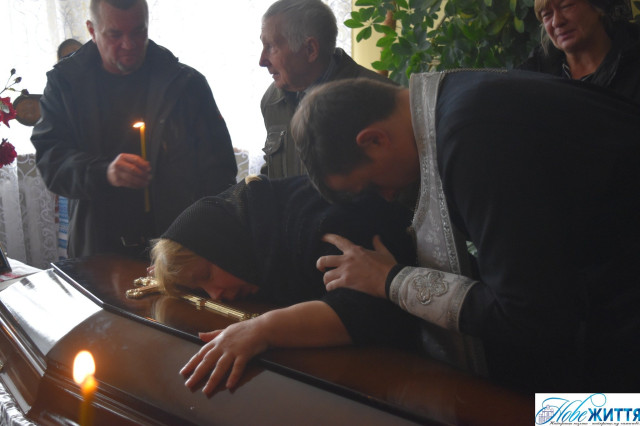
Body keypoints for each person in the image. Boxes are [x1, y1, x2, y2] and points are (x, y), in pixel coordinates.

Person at [290, 72, 640, 391]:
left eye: (370, 186)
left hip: (623, 311)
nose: (387, 196)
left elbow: (529, 315)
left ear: (374, 140)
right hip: (611, 290)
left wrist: (392, 281)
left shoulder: (471, 137)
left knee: (568, 417)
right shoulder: (457, 100)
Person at [149, 175, 420, 393]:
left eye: (206, 275)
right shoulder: (254, 228)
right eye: (201, 289)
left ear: (223, 243)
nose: (215, 295)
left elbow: (364, 308)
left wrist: (261, 330)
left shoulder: (316, 220)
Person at [32, 0, 237, 258]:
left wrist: (210, 242)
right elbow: (51, 162)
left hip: (178, 244)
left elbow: (219, 172)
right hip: (99, 247)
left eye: (139, 32)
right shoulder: (66, 84)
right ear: (92, 30)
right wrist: (104, 172)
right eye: (115, 34)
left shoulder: (186, 84)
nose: (129, 45)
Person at [259, 0, 393, 178]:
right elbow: (275, 173)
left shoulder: (382, 101)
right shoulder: (272, 100)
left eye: (271, 47)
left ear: (310, 49)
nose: (262, 61)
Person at [518, 0, 640, 103]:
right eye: (547, 15)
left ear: (597, 7)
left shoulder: (633, 66)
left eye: (566, 6)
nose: (557, 22)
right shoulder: (535, 76)